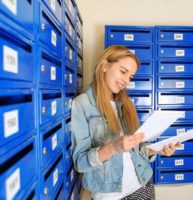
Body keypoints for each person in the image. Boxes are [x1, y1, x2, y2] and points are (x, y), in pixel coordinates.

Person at [71, 45, 180, 200]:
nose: (126, 81)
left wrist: (157, 150)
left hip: (143, 185)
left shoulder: (126, 103)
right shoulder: (82, 104)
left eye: (130, 77)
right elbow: (80, 163)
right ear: (104, 65)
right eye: (123, 71)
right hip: (111, 195)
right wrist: (113, 147)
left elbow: (134, 150)